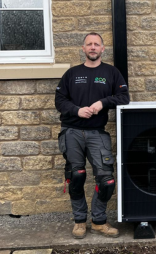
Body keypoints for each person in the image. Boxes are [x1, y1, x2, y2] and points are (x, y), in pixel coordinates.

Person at [55, 33, 130, 239]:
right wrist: (76, 110)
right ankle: (80, 221)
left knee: (106, 180)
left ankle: (99, 221)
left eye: (97, 44)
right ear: (83, 48)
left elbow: (124, 97)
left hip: (98, 132)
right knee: (76, 175)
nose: (93, 47)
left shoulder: (111, 73)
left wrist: (102, 103)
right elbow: (59, 101)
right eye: (89, 44)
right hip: (72, 131)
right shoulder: (72, 74)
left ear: (103, 49)